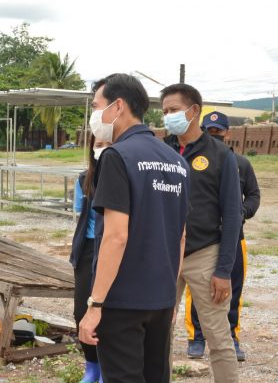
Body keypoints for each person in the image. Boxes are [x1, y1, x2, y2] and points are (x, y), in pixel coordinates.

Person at [78, 73, 189, 383]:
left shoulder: (117, 156)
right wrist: (170, 294)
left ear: (118, 106)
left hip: (123, 300)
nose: (94, 115)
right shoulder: (176, 161)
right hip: (161, 297)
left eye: (96, 106)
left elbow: (116, 236)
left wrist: (95, 304)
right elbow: (181, 236)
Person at [162, 84, 242, 383]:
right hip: (165, 256)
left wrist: (223, 270)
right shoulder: (161, 151)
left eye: (173, 110)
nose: (168, 116)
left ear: (194, 110)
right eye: (165, 111)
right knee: (159, 332)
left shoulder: (220, 155)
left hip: (204, 254)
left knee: (218, 337)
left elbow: (232, 215)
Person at [185, 111, 260, 362]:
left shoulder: (240, 163)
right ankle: (196, 337)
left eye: (218, 131)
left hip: (233, 238)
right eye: (209, 130)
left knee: (232, 290)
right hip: (203, 241)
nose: (213, 135)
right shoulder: (195, 160)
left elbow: (253, 195)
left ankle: (232, 337)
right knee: (197, 291)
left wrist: (241, 213)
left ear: (227, 132)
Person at [70, 135, 111, 383]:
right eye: (98, 145)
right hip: (88, 249)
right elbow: (80, 213)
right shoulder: (84, 179)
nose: (103, 150)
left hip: (114, 248)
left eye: (109, 145)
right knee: (81, 311)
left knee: (110, 314)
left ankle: (108, 369)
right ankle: (92, 367)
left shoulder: (125, 177)